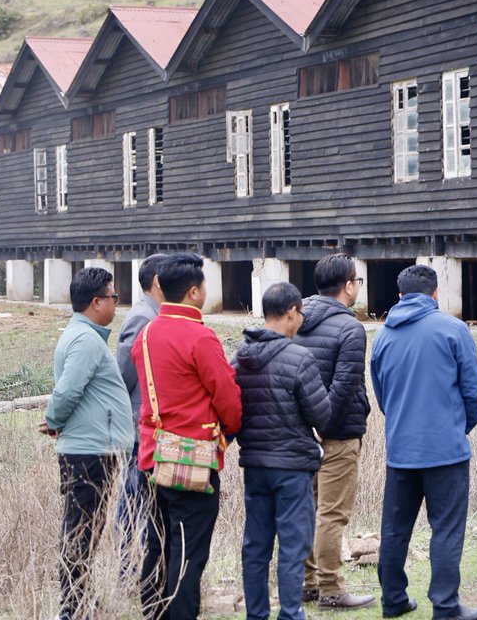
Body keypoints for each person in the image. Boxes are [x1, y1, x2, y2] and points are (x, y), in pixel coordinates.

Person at [371, 264, 477, 620]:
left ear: (400, 296)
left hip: (401, 450)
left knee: (394, 529)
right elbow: (474, 393)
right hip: (445, 451)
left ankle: (393, 600)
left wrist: (404, 425)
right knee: (447, 529)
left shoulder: (383, 337)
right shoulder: (453, 329)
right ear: (435, 293)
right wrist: (457, 427)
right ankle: (446, 606)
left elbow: (382, 396)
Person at [132, 252, 243, 620]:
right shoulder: (200, 337)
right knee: (188, 556)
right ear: (194, 291)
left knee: (157, 547)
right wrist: (229, 429)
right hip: (191, 462)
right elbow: (228, 398)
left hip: (152, 457)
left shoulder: (146, 333)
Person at [40, 267, 135, 620]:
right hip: (88, 452)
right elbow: (67, 389)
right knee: (80, 531)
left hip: (95, 448)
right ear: (96, 302)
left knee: (86, 531)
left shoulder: (87, 335)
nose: (116, 303)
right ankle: (72, 607)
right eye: (113, 297)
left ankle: (81, 600)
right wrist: (53, 421)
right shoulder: (84, 340)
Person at [233, 282, 332, 620]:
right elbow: (322, 416)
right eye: (301, 313)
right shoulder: (299, 357)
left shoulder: (241, 357)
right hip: (292, 467)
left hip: (255, 464)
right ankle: (291, 613)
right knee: (293, 545)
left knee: (255, 546)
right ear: (292, 312)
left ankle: (256, 615)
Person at [294, 253, 374, 610]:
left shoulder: (297, 319)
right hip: (337, 435)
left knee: (307, 510)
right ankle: (331, 588)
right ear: (347, 286)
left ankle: (306, 583)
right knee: (332, 514)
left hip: (301, 434)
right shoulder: (350, 328)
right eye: (357, 281)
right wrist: (324, 429)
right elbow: (343, 388)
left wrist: (306, 425)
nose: (357, 286)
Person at [115, 253, 169, 550]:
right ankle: (126, 565)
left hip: (149, 425)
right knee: (132, 497)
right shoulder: (142, 316)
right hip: (137, 425)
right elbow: (124, 372)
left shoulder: (156, 314)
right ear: (159, 282)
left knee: (143, 498)